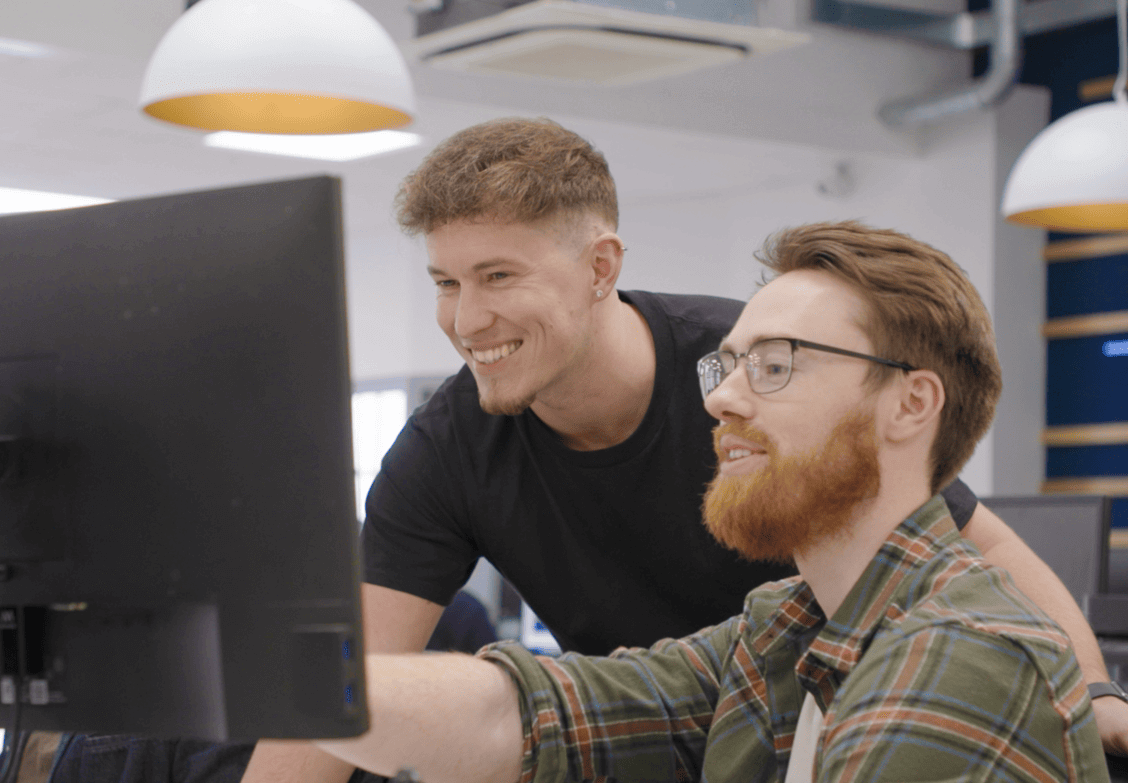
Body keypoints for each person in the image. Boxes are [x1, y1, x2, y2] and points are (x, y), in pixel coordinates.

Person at [239, 118, 1127, 783]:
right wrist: (226, 660)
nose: (727, 395)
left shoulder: (958, 657)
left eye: (774, 367)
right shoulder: (777, 629)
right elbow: (525, 709)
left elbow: (979, 549)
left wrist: (1094, 692)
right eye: (447, 284)